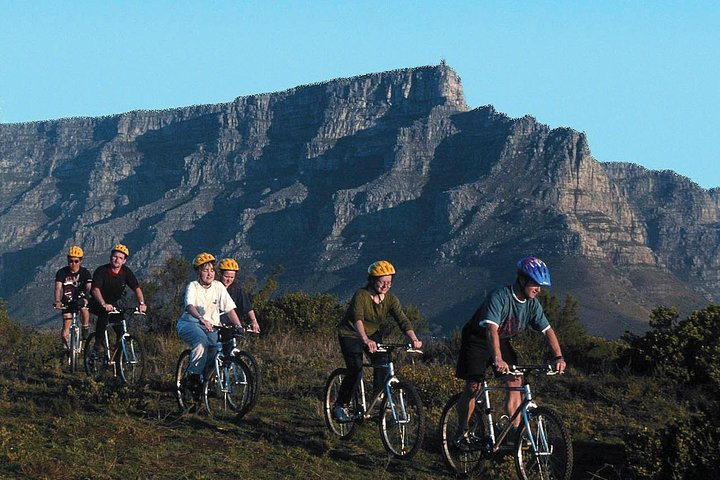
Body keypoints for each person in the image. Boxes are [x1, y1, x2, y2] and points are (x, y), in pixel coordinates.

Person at [454, 256, 566, 450]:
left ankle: (514, 433)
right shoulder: (499, 297)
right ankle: (462, 431)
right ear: (522, 279)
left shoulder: (532, 304)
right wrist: (497, 358)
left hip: (501, 340)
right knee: (473, 386)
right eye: (535, 284)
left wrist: (558, 357)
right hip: (477, 339)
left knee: (515, 381)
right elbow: (490, 330)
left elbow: (547, 330)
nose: (538, 289)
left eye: (541, 285)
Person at [333, 260, 423, 423]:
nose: (386, 285)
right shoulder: (361, 295)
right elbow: (357, 319)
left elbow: (402, 319)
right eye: (382, 281)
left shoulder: (390, 299)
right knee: (356, 369)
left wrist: (413, 338)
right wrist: (365, 339)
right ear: (373, 280)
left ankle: (378, 399)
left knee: (383, 361)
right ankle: (341, 405)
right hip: (351, 333)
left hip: (372, 334)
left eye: (389, 282)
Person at [176, 253, 245, 393]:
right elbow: (189, 306)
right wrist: (201, 318)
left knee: (215, 350)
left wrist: (238, 326)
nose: (209, 274)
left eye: (212, 270)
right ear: (198, 272)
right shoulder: (193, 286)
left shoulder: (218, 286)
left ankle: (207, 382)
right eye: (205, 270)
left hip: (211, 326)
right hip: (190, 323)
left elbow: (229, 309)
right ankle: (193, 376)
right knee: (201, 342)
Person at [88, 244, 147, 354]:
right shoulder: (101, 271)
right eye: (115, 257)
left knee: (120, 329)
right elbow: (95, 289)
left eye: (120, 258)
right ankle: (98, 344)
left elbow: (136, 288)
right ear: (111, 257)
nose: (117, 260)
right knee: (104, 316)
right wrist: (103, 304)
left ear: (124, 261)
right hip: (98, 302)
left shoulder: (126, 272)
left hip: (113, 304)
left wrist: (142, 303)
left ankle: (118, 357)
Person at [53, 245, 92, 351]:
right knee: (66, 325)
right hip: (67, 301)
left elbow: (89, 287)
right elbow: (58, 288)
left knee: (84, 310)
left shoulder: (85, 272)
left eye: (76, 261)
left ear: (80, 261)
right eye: (71, 261)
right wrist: (57, 300)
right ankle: (66, 348)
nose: (73, 264)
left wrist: (87, 297)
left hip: (80, 299)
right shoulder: (62, 272)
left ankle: (85, 328)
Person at [217, 258, 260, 333]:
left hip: (232, 325)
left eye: (232, 277)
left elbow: (248, 307)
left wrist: (254, 321)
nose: (229, 280)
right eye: (226, 276)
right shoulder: (214, 288)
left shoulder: (237, 290)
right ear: (220, 274)